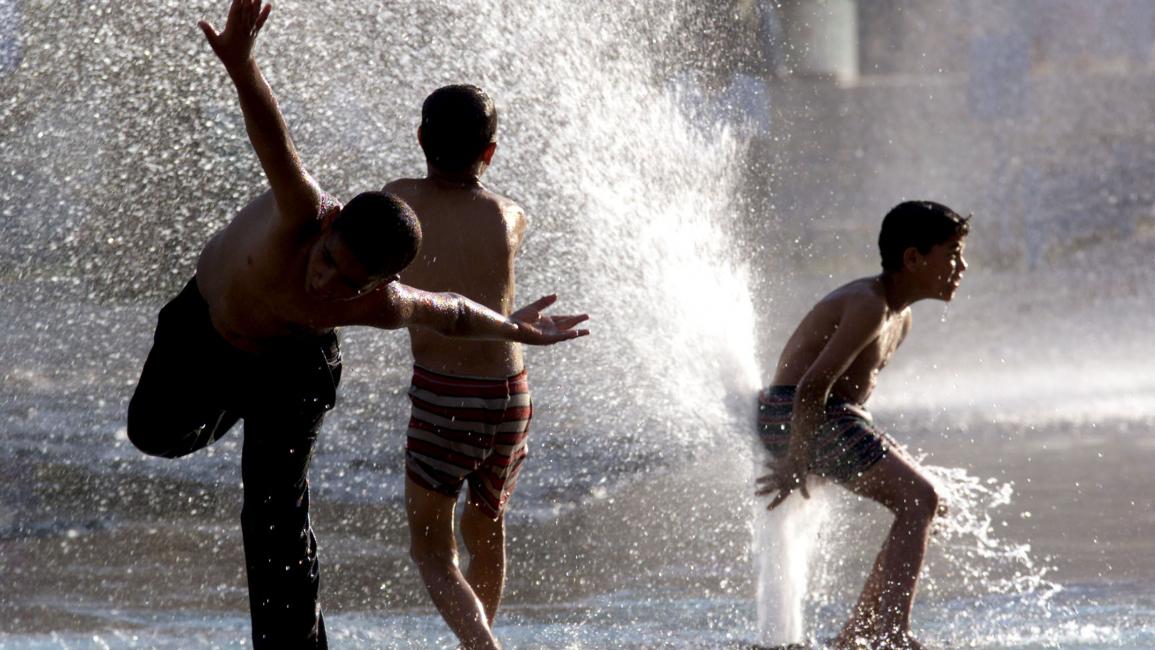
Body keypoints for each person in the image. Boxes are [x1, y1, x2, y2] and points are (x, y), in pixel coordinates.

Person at [125, 3, 588, 649]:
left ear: (378, 286)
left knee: (275, 507)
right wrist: (241, 62)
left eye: (352, 284)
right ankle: (236, 405)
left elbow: (451, 309)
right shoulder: (301, 208)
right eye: (328, 263)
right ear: (329, 226)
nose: (328, 284)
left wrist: (516, 330)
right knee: (154, 436)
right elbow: (272, 137)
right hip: (205, 333)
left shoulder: (381, 302)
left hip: (294, 363)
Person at [755, 201, 970, 650]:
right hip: (795, 412)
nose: (961, 265)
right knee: (919, 498)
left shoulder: (900, 316)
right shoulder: (870, 304)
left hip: (824, 415)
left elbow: (846, 402)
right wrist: (796, 460)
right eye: (951, 253)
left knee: (932, 504)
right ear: (913, 259)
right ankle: (889, 634)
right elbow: (813, 387)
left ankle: (860, 633)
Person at [381, 84, 537, 650]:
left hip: (445, 394)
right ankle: (480, 640)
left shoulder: (398, 200)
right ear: (490, 153)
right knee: (487, 529)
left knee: (431, 551)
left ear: (420, 138)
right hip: (509, 394)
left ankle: (483, 647)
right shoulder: (510, 216)